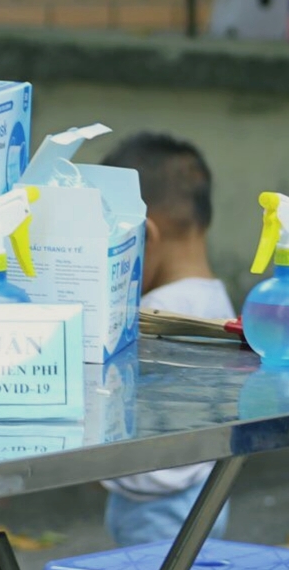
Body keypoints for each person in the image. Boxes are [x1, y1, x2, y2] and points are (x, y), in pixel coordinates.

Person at [98, 133, 237, 546]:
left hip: (160, 504)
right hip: (199, 493)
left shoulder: (155, 318)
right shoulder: (215, 301)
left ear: (145, 237)